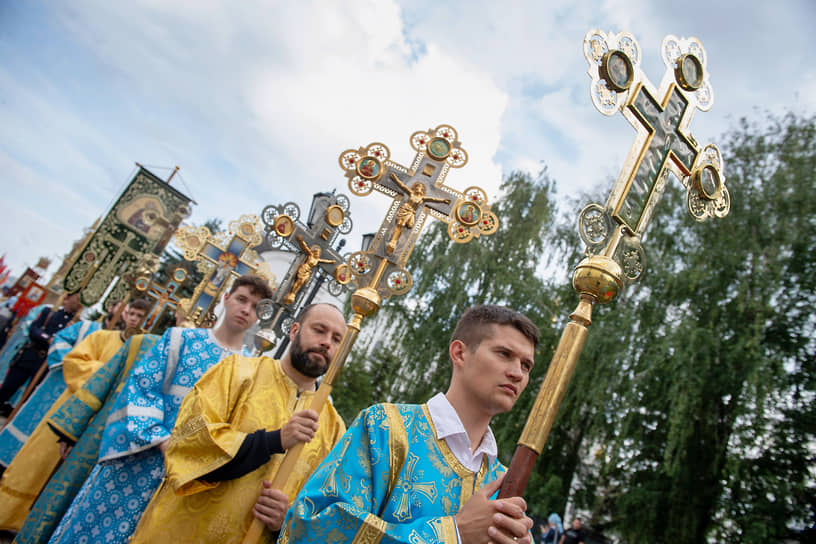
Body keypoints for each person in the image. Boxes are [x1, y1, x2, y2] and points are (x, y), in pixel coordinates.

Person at [282, 304, 540, 544]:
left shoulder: (502, 482)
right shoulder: (384, 428)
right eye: (504, 354)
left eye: (526, 365)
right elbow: (309, 525)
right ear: (459, 353)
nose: (517, 373)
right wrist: (453, 533)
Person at [48, 274, 273, 544]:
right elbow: (143, 386)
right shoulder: (180, 339)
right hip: (138, 457)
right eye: (241, 299)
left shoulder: (250, 368)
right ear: (226, 299)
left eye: (256, 307)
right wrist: (162, 440)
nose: (246, 309)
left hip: (184, 478)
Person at [127, 302, 348, 543]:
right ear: (294, 331)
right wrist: (274, 440)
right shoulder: (236, 372)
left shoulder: (335, 429)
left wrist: (289, 520)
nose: (327, 342)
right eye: (319, 330)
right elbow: (187, 441)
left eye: (337, 339)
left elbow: (328, 512)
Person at [0, 298, 148, 533]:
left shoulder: (139, 355)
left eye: (140, 317)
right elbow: (73, 362)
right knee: (37, 462)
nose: (134, 319)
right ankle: (9, 513)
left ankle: (37, 527)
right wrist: (106, 374)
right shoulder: (100, 337)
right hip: (68, 412)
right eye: (132, 314)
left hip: (95, 424)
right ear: (124, 313)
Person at [0, 292, 82, 416]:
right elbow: (34, 329)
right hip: (30, 355)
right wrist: (48, 339)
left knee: (30, 394)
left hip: (45, 362)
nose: (78, 303)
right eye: (77, 299)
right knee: (8, 386)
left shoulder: (76, 324)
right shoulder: (49, 312)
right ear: (68, 298)